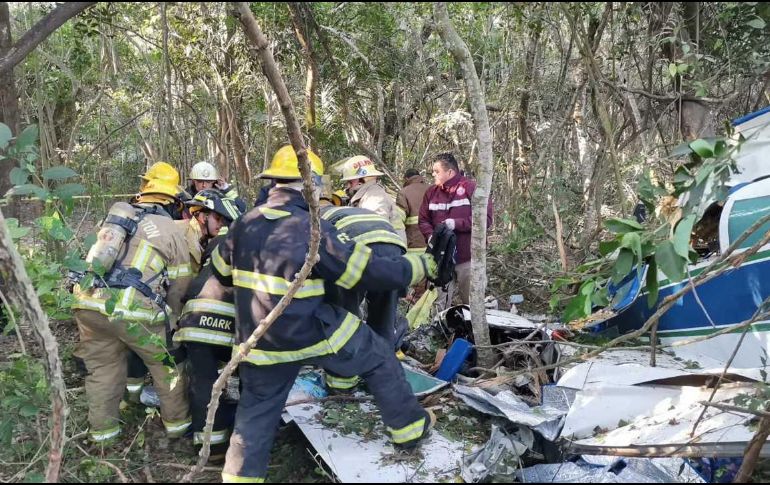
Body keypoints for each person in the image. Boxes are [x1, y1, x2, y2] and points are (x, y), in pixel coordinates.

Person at [215, 145, 438, 482]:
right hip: (310, 329)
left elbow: (220, 271)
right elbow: (359, 272)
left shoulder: (243, 224)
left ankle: (238, 478)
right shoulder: (310, 227)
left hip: (257, 341)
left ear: (273, 183)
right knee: (378, 354)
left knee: (255, 412)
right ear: (311, 185)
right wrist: (415, 266)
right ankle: (409, 430)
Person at [72, 176, 193, 443]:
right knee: (168, 366)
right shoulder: (171, 229)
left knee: (103, 371)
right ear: (172, 201)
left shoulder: (114, 222)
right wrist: (173, 318)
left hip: (88, 304)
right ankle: (177, 429)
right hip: (135, 313)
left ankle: (104, 438)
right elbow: (181, 283)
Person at [318, 176, 408, 392]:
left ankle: (341, 385)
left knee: (343, 320)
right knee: (383, 320)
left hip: (359, 248)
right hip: (394, 249)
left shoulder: (313, 218)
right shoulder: (350, 212)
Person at [173, 191, 243, 463]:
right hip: (224, 327)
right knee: (233, 381)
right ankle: (230, 443)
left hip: (192, 322)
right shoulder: (246, 244)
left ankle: (208, 447)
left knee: (203, 382)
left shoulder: (214, 245)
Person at [419, 152, 493, 308]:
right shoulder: (431, 193)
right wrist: (431, 235)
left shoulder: (471, 188)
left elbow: (485, 220)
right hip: (440, 259)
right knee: (438, 303)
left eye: (436, 171)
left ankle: (474, 332)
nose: (433, 174)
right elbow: (423, 219)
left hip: (468, 258)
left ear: (450, 172)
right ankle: (440, 331)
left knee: (474, 304)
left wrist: (457, 223)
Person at [339, 155, 407, 243]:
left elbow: (375, 229)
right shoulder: (368, 194)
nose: (348, 186)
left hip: (386, 251)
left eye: (350, 181)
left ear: (362, 180)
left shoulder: (374, 197)